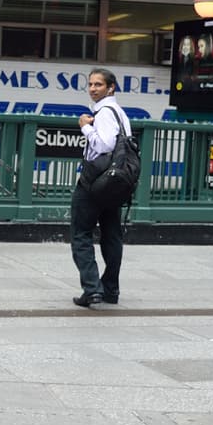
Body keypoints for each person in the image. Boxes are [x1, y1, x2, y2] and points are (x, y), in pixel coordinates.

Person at [71, 68, 132, 308]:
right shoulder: (120, 114)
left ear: (111, 88)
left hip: (95, 181)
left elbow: (105, 144)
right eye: (91, 84)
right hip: (115, 183)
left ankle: (92, 289)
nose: (93, 88)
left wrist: (85, 126)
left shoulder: (105, 113)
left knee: (80, 234)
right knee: (112, 235)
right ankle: (110, 289)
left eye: (99, 84)